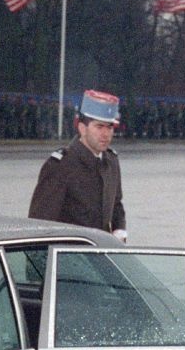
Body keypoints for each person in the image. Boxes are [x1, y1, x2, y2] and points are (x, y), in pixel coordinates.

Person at [27, 89, 127, 241]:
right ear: (82, 128)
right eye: (99, 127)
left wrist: (120, 232)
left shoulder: (111, 161)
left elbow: (116, 205)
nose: (106, 134)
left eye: (110, 127)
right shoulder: (61, 165)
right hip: (68, 258)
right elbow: (40, 224)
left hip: (101, 255)